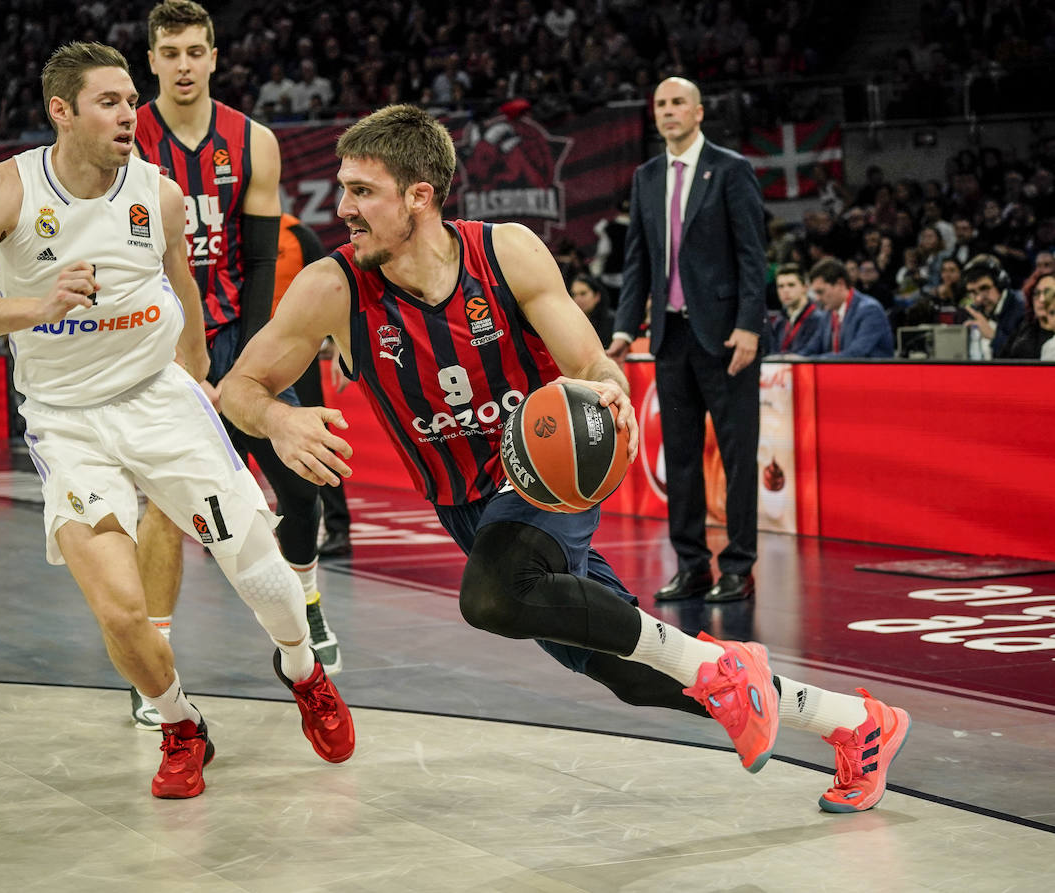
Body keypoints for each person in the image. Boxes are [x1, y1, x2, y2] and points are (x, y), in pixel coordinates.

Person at [221, 103, 910, 814]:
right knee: (630, 671)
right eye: (343, 188)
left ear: (419, 196)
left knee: (491, 597)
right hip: (467, 506)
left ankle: (726, 665)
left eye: (362, 191)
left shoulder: (506, 252)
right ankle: (856, 723)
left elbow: (589, 361)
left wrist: (607, 392)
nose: (343, 208)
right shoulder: (332, 287)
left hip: (545, 469)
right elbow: (237, 387)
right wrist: (278, 418)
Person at [0, 41, 353, 799]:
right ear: (61, 110)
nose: (129, 114)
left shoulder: (156, 194)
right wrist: (42, 304)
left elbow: (182, 283)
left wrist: (199, 372)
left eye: (131, 100)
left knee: (259, 572)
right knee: (122, 612)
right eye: (109, 102)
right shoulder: (2, 190)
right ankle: (180, 724)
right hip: (66, 420)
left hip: (160, 396)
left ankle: (301, 668)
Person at [126, 1, 340, 733]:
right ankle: (153, 662)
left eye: (194, 50)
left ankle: (307, 603)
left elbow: (257, 260)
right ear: (150, 60)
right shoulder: (128, 137)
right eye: (169, 52)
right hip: (154, 341)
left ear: (214, 56)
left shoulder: (254, 141)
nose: (183, 64)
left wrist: (245, 361)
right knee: (163, 505)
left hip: (236, 329)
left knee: (302, 478)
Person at [609, 77, 766, 604]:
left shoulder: (730, 168)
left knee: (738, 454)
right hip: (671, 336)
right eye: (660, 104)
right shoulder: (647, 175)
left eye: (678, 103)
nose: (668, 111)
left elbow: (752, 255)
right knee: (678, 456)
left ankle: (739, 567)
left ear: (699, 112)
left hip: (726, 336)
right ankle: (692, 565)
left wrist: (749, 324)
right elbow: (637, 261)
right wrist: (625, 328)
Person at [275, 211, 354, 559]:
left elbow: (333, 284)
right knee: (231, 440)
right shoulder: (233, 234)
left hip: (298, 353)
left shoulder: (297, 234)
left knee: (318, 435)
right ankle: (237, 526)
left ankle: (338, 527)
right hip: (244, 349)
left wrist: (339, 343)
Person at [805, 258, 895, 357]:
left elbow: (855, 354)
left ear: (840, 284)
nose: (817, 298)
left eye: (820, 292)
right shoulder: (828, 314)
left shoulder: (870, 310)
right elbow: (811, 348)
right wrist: (793, 359)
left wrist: (813, 360)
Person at [961, 254, 1025, 359]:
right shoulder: (973, 310)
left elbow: (1025, 360)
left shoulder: (1022, 309)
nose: (979, 299)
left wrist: (994, 336)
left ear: (1001, 283)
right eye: (973, 292)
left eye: (984, 288)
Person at [767, 263, 827, 355]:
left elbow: (810, 352)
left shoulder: (819, 319)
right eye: (781, 286)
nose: (785, 290)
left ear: (805, 288)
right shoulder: (779, 321)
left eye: (791, 285)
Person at [569, 272, 615, 346]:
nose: (577, 299)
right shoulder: (570, 322)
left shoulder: (612, 322)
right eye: (574, 295)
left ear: (597, 296)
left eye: (583, 293)